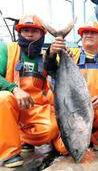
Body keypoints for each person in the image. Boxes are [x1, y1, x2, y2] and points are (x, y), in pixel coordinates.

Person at [0, 15, 66, 168]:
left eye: (34, 31)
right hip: (11, 108)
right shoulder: (6, 49)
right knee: (2, 98)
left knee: (52, 129)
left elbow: (56, 74)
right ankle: (10, 152)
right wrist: (14, 89)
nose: (30, 34)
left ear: (42, 34)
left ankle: (24, 138)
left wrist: (52, 54)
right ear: (19, 33)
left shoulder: (45, 56)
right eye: (26, 30)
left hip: (34, 111)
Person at [46, 20, 98, 151]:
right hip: (72, 108)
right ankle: (76, 143)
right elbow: (50, 69)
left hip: (95, 107)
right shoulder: (70, 53)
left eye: (93, 32)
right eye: (85, 32)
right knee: (65, 149)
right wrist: (52, 53)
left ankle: (96, 140)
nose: (88, 35)